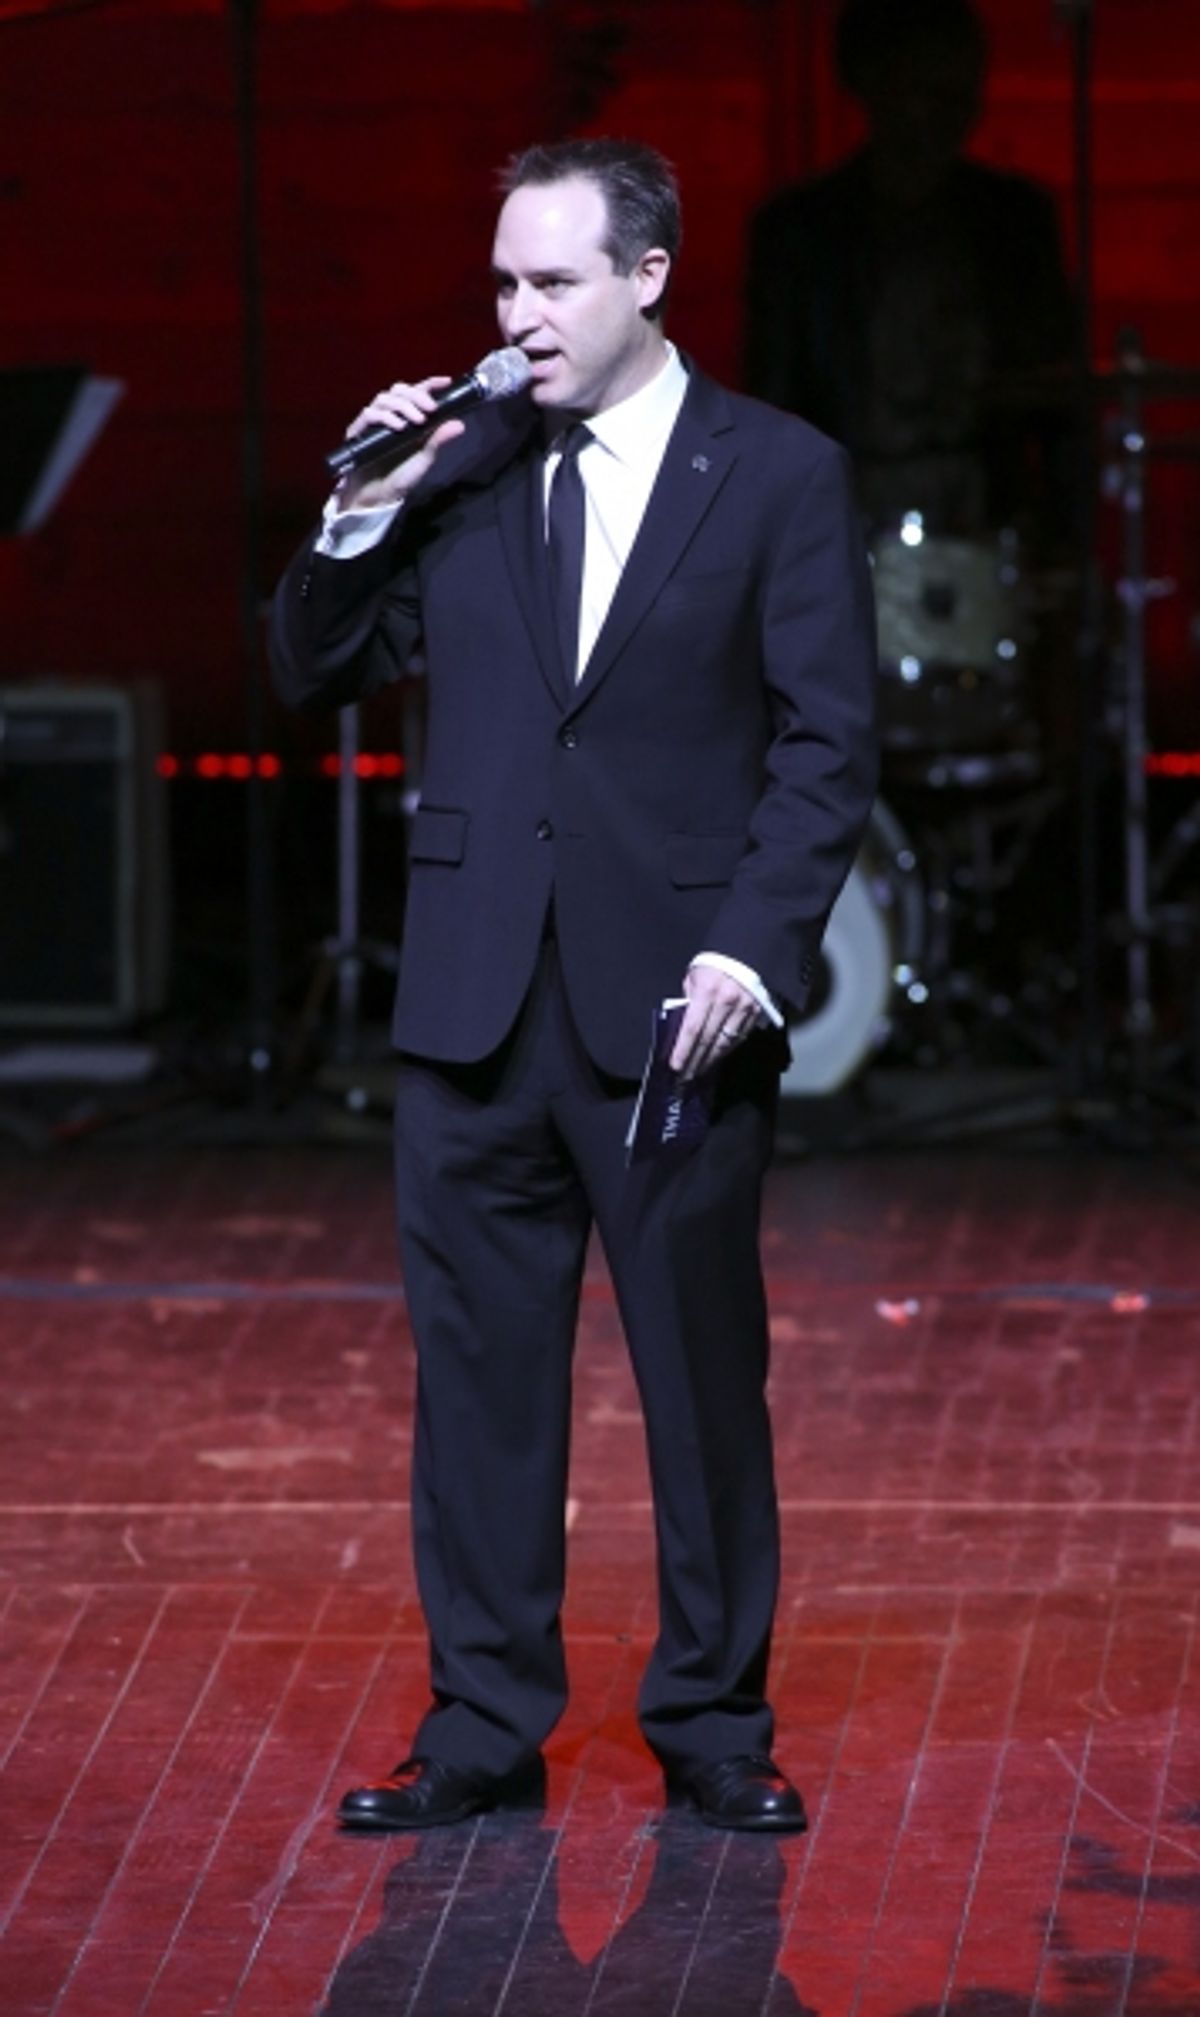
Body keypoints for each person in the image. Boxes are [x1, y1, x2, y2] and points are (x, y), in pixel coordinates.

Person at [271, 138, 877, 1833]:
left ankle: (710, 1715)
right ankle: (481, 1719)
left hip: (668, 1003)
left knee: (698, 1378)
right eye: (503, 286)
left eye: (551, 283)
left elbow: (828, 746)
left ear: (648, 276)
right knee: (475, 1380)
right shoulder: (457, 471)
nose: (517, 316)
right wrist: (362, 504)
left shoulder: (772, 475)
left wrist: (752, 948)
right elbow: (313, 665)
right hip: (473, 999)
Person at [745, 0, 1074, 540]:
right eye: (927, 85)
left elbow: (1059, 402)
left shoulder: (1016, 223)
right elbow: (776, 409)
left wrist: (1062, 546)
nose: (948, 109)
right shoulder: (800, 233)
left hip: (986, 535)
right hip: (845, 532)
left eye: (960, 87)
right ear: (873, 81)